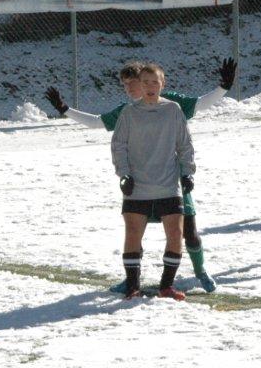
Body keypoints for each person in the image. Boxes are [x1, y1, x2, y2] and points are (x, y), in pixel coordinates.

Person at [45, 58, 237, 293]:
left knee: (188, 231)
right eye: (124, 85)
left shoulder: (171, 104)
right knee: (135, 232)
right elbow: (97, 123)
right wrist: (65, 109)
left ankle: (201, 271)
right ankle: (131, 280)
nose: (129, 89)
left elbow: (199, 105)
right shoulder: (127, 111)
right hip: (140, 183)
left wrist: (223, 88)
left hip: (171, 181)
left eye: (132, 83)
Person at [110, 63, 196, 301]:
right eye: (145, 82)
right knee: (133, 234)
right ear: (140, 84)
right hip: (137, 187)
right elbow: (118, 146)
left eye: (154, 82)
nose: (150, 87)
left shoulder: (173, 110)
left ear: (162, 84)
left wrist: (187, 173)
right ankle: (132, 287)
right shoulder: (129, 113)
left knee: (176, 234)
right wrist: (124, 174)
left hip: (168, 185)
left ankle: (166, 286)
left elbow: (185, 144)